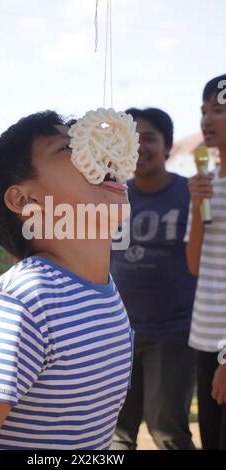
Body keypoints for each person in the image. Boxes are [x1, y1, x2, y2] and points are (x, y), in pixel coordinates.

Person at [0, 111, 133, 450]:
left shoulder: (103, 290)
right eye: (70, 148)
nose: (98, 155)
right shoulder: (18, 307)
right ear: (24, 200)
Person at [111, 108, 197, 450]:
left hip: (173, 334)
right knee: (116, 434)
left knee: (168, 432)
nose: (140, 147)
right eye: (133, 140)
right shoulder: (112, 196)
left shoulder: (191, 193)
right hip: (117, 333)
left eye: (149, 138)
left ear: (168, 146)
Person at [185, 74, 226, 449]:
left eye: (218, 110)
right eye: (203, 111)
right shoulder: (204, 182)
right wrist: (197, 205)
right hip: (204, 336)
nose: (206, 120)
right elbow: (195, 264)